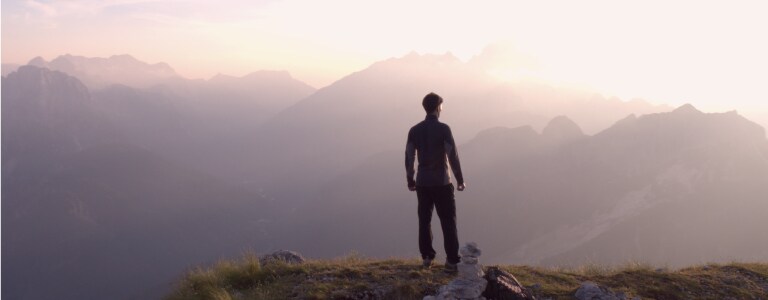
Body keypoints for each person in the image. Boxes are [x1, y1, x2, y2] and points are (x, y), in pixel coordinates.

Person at [405, 92, 466, 273]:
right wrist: (460, 179)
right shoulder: (444, 129)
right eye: (442, 106)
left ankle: (427, 258)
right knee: (448, 221)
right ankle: (452, 261)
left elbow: (409, 156)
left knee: (424, 220)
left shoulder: (414, 130)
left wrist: (410, 179)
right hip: (441, 182)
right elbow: (452, 155)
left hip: (423, 183)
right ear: (438, 107)